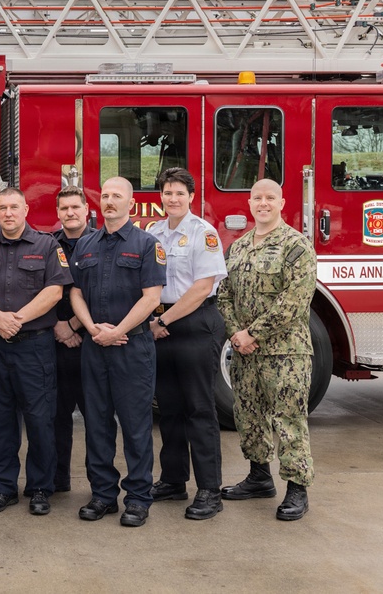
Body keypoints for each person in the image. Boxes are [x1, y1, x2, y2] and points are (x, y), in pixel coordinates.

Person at [0, 187, 71, 515]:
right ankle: (3, 487)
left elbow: (54, 291)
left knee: (40, 419)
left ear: (26, 209)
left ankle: (40, 487)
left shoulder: (47, 245)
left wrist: (18, 319)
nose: (8, 213)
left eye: (14, 207)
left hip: (34, 347)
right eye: (2, 208)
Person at [216, 178, 316, 521]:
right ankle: (259, 477)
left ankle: (297, 489)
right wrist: (236, 334)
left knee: (287, 420)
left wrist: (252, 332)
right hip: (246, 353)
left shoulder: (297, 246)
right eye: (257, 198)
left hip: (286, 354)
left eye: (269, 198)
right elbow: (223, 293)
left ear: (282, 203)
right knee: (248, 415)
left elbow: (294, 301)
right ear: (249, 204)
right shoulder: (239, 247)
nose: (263, 203)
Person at [70, 176, 165, 528]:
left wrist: (118, 332)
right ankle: (103, 495)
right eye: (105, 195)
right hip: (95, 346)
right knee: (95, 424)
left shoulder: (146, 244)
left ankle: (139, 498)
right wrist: (93, 328)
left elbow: (152, 297)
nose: (109, 201)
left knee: (136, 425)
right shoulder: (86, 244)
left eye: (117, 196)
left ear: (130, 203)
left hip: (132, 347)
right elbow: (76, 293)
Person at [146, 168, 228, 520]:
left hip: (193, 324)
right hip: (161, 326)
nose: (173, 199)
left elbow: (201, 287)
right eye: (167, 193)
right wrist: (155, 320)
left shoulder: (203, 233)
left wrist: (165, 320)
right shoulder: (153, 232)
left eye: (179, 193)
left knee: (200, 409)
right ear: (160, 197)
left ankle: (209, 490)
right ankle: (173, 481)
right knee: (170, 409)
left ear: (192, 196)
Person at [51, 186, 93, 492]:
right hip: (55, 342)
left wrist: (74, 327)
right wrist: (58, 326)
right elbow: (38, 290)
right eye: (64, 208)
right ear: (57, 213)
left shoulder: (103, 244)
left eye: (75, 207)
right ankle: (57, 480)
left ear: (86, 209)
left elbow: (105, 293)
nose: (70, 213)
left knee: (96, 419)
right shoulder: (48, 245)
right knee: (56, 417)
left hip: (92, 344)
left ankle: (99, 485)